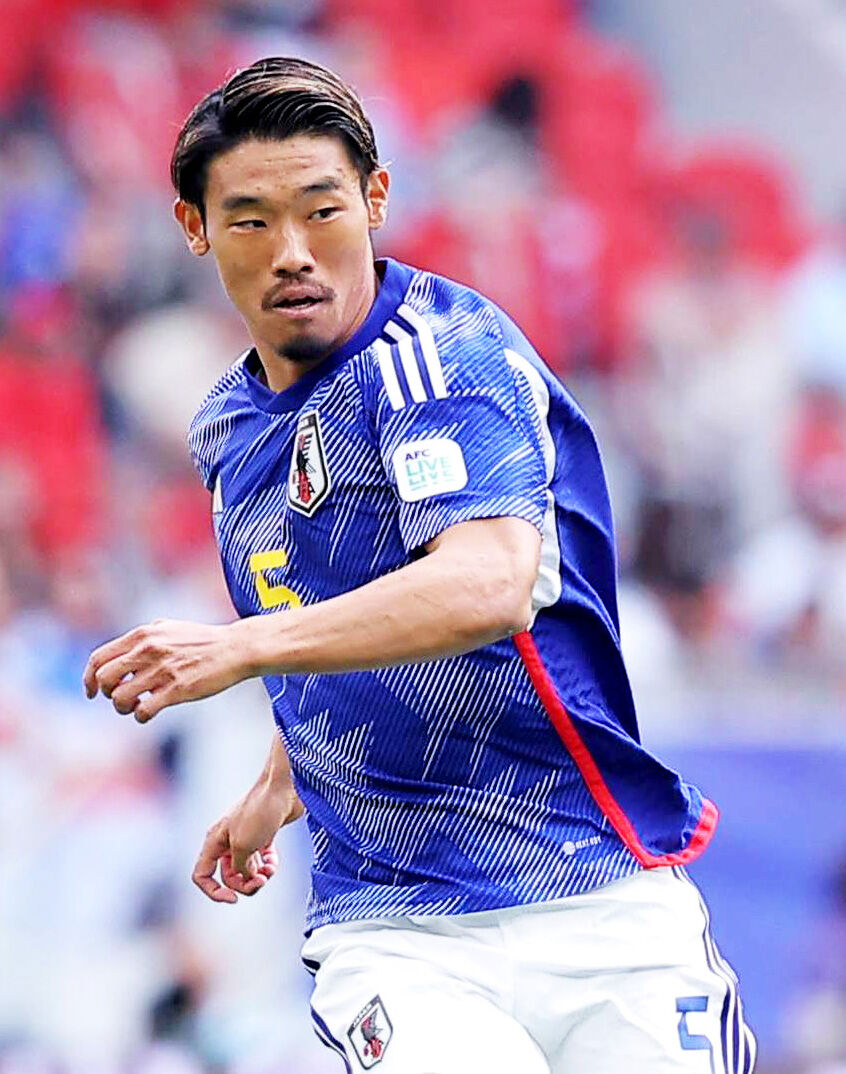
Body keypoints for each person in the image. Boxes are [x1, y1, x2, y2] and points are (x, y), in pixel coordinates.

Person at [84, 57, 756, 1074]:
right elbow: (342, 612)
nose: (293, 253)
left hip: (594, 891)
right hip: (397, 930)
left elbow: (486, 584)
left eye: (322, 211)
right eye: (251, 221)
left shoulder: (441, 357)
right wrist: (282, 779)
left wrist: (238, 649)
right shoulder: (229, 430)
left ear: (376, 199)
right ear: (196, 228)